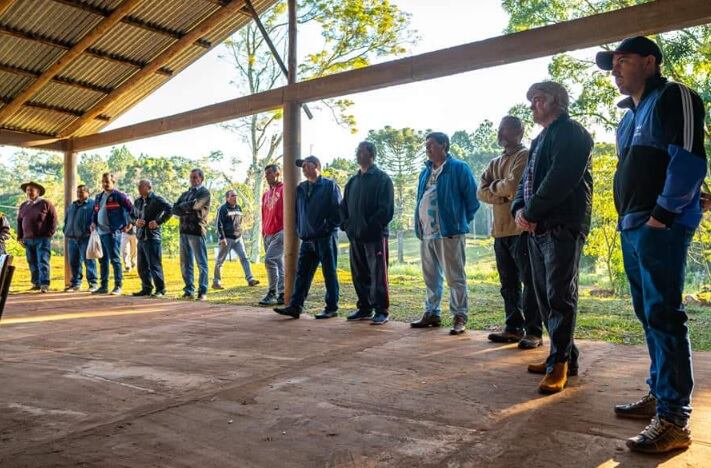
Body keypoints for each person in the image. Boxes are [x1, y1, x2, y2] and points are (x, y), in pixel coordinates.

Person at [596, 36, 707, 453]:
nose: (615, 70)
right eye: (613, 64)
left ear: (650, 61)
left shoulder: (673, 96)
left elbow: (689, 158)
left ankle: (675, 418)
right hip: (634, 225)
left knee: (663, 313)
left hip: (658, 224)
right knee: (648, 312)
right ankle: (661, 394)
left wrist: (664, 214)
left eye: (622, 61)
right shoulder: (629, 117)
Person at [511, 81, 593, 395]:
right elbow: (526, 181)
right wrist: (519, 209)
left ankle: (558, 362)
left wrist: (530, 212)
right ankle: (564, 357)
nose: (532, 106)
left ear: (556, 101)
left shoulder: (572, 133)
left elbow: (561, 179)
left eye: (537, 100)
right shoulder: (541, 137)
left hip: (561, 226)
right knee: (545, 296)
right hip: (537, 227)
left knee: (559, 295)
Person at [478, 116, 543, 349]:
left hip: (521, 230)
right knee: (508, 285)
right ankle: (513, 327)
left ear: (519, 131)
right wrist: (500, 190)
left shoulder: (524, 156)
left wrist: (497, 189)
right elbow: (480, 191)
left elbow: (514, 186)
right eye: (500, 128)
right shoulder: (495, 162)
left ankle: (534, 332)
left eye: (506, 128)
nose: (501, 132)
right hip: (500, 232)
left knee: (529, 282)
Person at [410, 132, 479, 335]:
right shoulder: (425, 172)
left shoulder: (458, 168)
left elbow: (472, 200)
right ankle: (432, 313)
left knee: (454, 277)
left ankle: (459, 316)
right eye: (426, 145)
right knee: (430, 277)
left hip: (450, 233)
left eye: (431, 145)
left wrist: (459, 221)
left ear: (444, 145)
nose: (427, 148)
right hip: (427, 234)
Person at [274, 156, 342, 319]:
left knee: (329, 272)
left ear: (317, 166)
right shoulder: (301, 188)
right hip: (307, 238)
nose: (303, 169)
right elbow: (297, 212)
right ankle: (296, 306)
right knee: (302, 274)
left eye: (306, 165)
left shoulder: (330, 186)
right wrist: (299, 230)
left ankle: (331, 307)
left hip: (325, 238)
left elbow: (338, 212)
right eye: (302, 166)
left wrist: (326, 228)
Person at [340, 141, 394, 325]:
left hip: (375, 237)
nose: (357, 154)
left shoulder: (382, 179)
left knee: (378, 274)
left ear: (371, 154)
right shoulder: (352, 182)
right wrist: (347, 226)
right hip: (355, 237)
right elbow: (343, 208)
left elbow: (386, 210)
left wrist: (369, 227)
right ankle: (364, 307)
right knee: (359, 273)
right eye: (357, 150)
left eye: (361, 151)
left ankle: (381, 310)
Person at [91, 173, 133, 295]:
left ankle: (118, 286)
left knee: (115, 260)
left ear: (113, 182)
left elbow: (131, 209)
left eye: (107, 182)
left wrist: (130, 223)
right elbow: (95, 211)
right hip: (100, 232)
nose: (105, 184)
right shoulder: (99, 197)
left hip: (112, 233)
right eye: (103, 181)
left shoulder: (119, 196)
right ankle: (103, 286)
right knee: (102, 259)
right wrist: (93, 222)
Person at [172, 168, 211, 301]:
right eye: (191, 177)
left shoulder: (204, 193)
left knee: (201, 263)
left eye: (195, 177)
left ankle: (203, 291)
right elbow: (174, 208)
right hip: (183, 231)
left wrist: (184, 208)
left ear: (201, 178)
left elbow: (196, 206)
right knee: (185, 263)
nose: (192, 180)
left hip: (196, 231)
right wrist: (186, 208)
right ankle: (189, 290)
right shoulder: (185, 193)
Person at [130, 180, 172, 297]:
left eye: (141, 186)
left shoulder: (157, 199)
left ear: (149, 187)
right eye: (138, 185)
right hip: (141, 237)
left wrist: (158, 222)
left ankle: (160, 289)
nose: (138, 187)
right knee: (141, 266)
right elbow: (131, 215)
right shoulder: (137, 201)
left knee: (154, 265)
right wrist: (135, 221)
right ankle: (146, 288)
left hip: (152, 237)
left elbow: (170, 209)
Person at [213, 190, 259, 289]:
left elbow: (240, 222)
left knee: (244, 258)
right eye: (233, 196)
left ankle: (250, 279)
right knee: (220, 261)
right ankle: (216, 282)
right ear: (227, 198)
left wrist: (241, 232)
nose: (235, 197)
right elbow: (218, 224)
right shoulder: (222, 209)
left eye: (236, 195)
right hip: (226, 239)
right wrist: (222, 238)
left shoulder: (239, 208)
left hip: (238, 239)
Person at [17, 181, 57, 293]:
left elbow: (53, 219)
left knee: (42, 261)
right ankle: (36, 283)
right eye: (27, 190)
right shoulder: (23, 205)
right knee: (32, 261)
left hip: (42, 238)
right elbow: (20, 221)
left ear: (38, 192)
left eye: (31, 190)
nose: (29, 192)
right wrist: (20, 236)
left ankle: (44, 284)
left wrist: (49, 233)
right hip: (28, 239)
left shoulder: (45, 203)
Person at [63, 184, 98, 292]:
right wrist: (65, 229)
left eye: (82, 192)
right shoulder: (72, 205)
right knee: (74, 262)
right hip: (72, 238)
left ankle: (93, 283)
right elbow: (67, 219)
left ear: (87, 192)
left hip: (85, 238)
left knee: (89, 261)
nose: (79, 194)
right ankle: (76, 284)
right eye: (78, 192)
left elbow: (96, 219)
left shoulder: (92, 204)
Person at [259, 164, 285, 306]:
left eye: (270, 173)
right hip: (267, 233)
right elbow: (264, 215)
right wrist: (263, 232)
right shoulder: (265, 194)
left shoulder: (285, 189)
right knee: (279, 263)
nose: (267, 176)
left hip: (281, 231)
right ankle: (282, 293)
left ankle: (272, 292)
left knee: (269, 260)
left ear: (277, 173)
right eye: (266, 173)